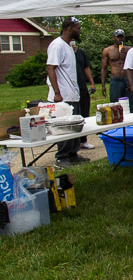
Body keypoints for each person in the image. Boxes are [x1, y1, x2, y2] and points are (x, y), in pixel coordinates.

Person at [46, 17, 90, 169]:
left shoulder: (68, 46)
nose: (79, 31)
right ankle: (62, 157)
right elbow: (50, 68)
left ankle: (73, 154)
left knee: (74, 127)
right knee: (65, 129)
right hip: (63, 97)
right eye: (78, 27)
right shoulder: (57, 45)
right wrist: (57, 93)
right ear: (69, 27)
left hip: (73, 94)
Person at [70, 40, 96, 149]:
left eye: (74, 44)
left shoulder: (81, 53)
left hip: (82, 86)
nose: (73, 46)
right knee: (73, 115)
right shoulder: (66, 53)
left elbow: (86, 68)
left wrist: (92, 83)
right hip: (70, 87)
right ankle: (73, 143)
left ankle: (83, 140)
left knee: (84, 113)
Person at [101, 29, 131, 103]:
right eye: (118, 37)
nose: (120, 39)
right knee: (115, 103)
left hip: (127, 79)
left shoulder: (129, 49)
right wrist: (103, 85)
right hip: (115, 79)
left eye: (121, 37)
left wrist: (127, 53)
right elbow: (104, 68)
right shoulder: (108, 50)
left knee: (128, 103)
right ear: (114, 37)